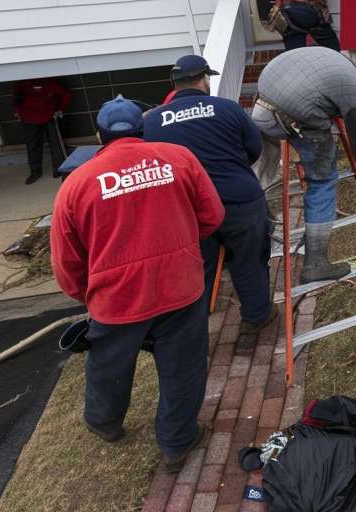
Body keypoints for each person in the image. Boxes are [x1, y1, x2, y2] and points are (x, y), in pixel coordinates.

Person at [50, 96, 224, 472]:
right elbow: (212, 215)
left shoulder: (76, 185)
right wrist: (185, 249)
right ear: (144, 129)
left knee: (108, 364)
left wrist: (87, 294)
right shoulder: (179, 158)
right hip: (181, 287)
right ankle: (177, 443)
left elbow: (66, 260)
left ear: (99, 136)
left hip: (116, 300)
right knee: (184, 367)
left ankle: (104, 423)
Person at [144, 55, 276, 346]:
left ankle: (194, 339)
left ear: (175, 85)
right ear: (203, 79)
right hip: (239, 200)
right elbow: (254, 150)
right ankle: (255, 319)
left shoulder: (153, 121)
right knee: (249, 259)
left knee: (196, 270)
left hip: (190, 208)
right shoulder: (227, 108)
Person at [248, 46, 356, 283]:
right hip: (291, 118)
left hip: (261, 107)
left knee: (259, 176)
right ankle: (315, 263)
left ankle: (262, 229)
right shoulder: (350, 84)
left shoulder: (327, 59)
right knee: (322, 182)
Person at [12, 77, 72, 184]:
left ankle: (57, 169)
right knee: (33, 145)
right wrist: (18, 111)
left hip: (49, 116)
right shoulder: (24, 83)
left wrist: (59, 109)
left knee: (55, 144)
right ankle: (35, 171)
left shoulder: (50, 83)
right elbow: (17, 97)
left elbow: (66, 95)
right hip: (29, 117)